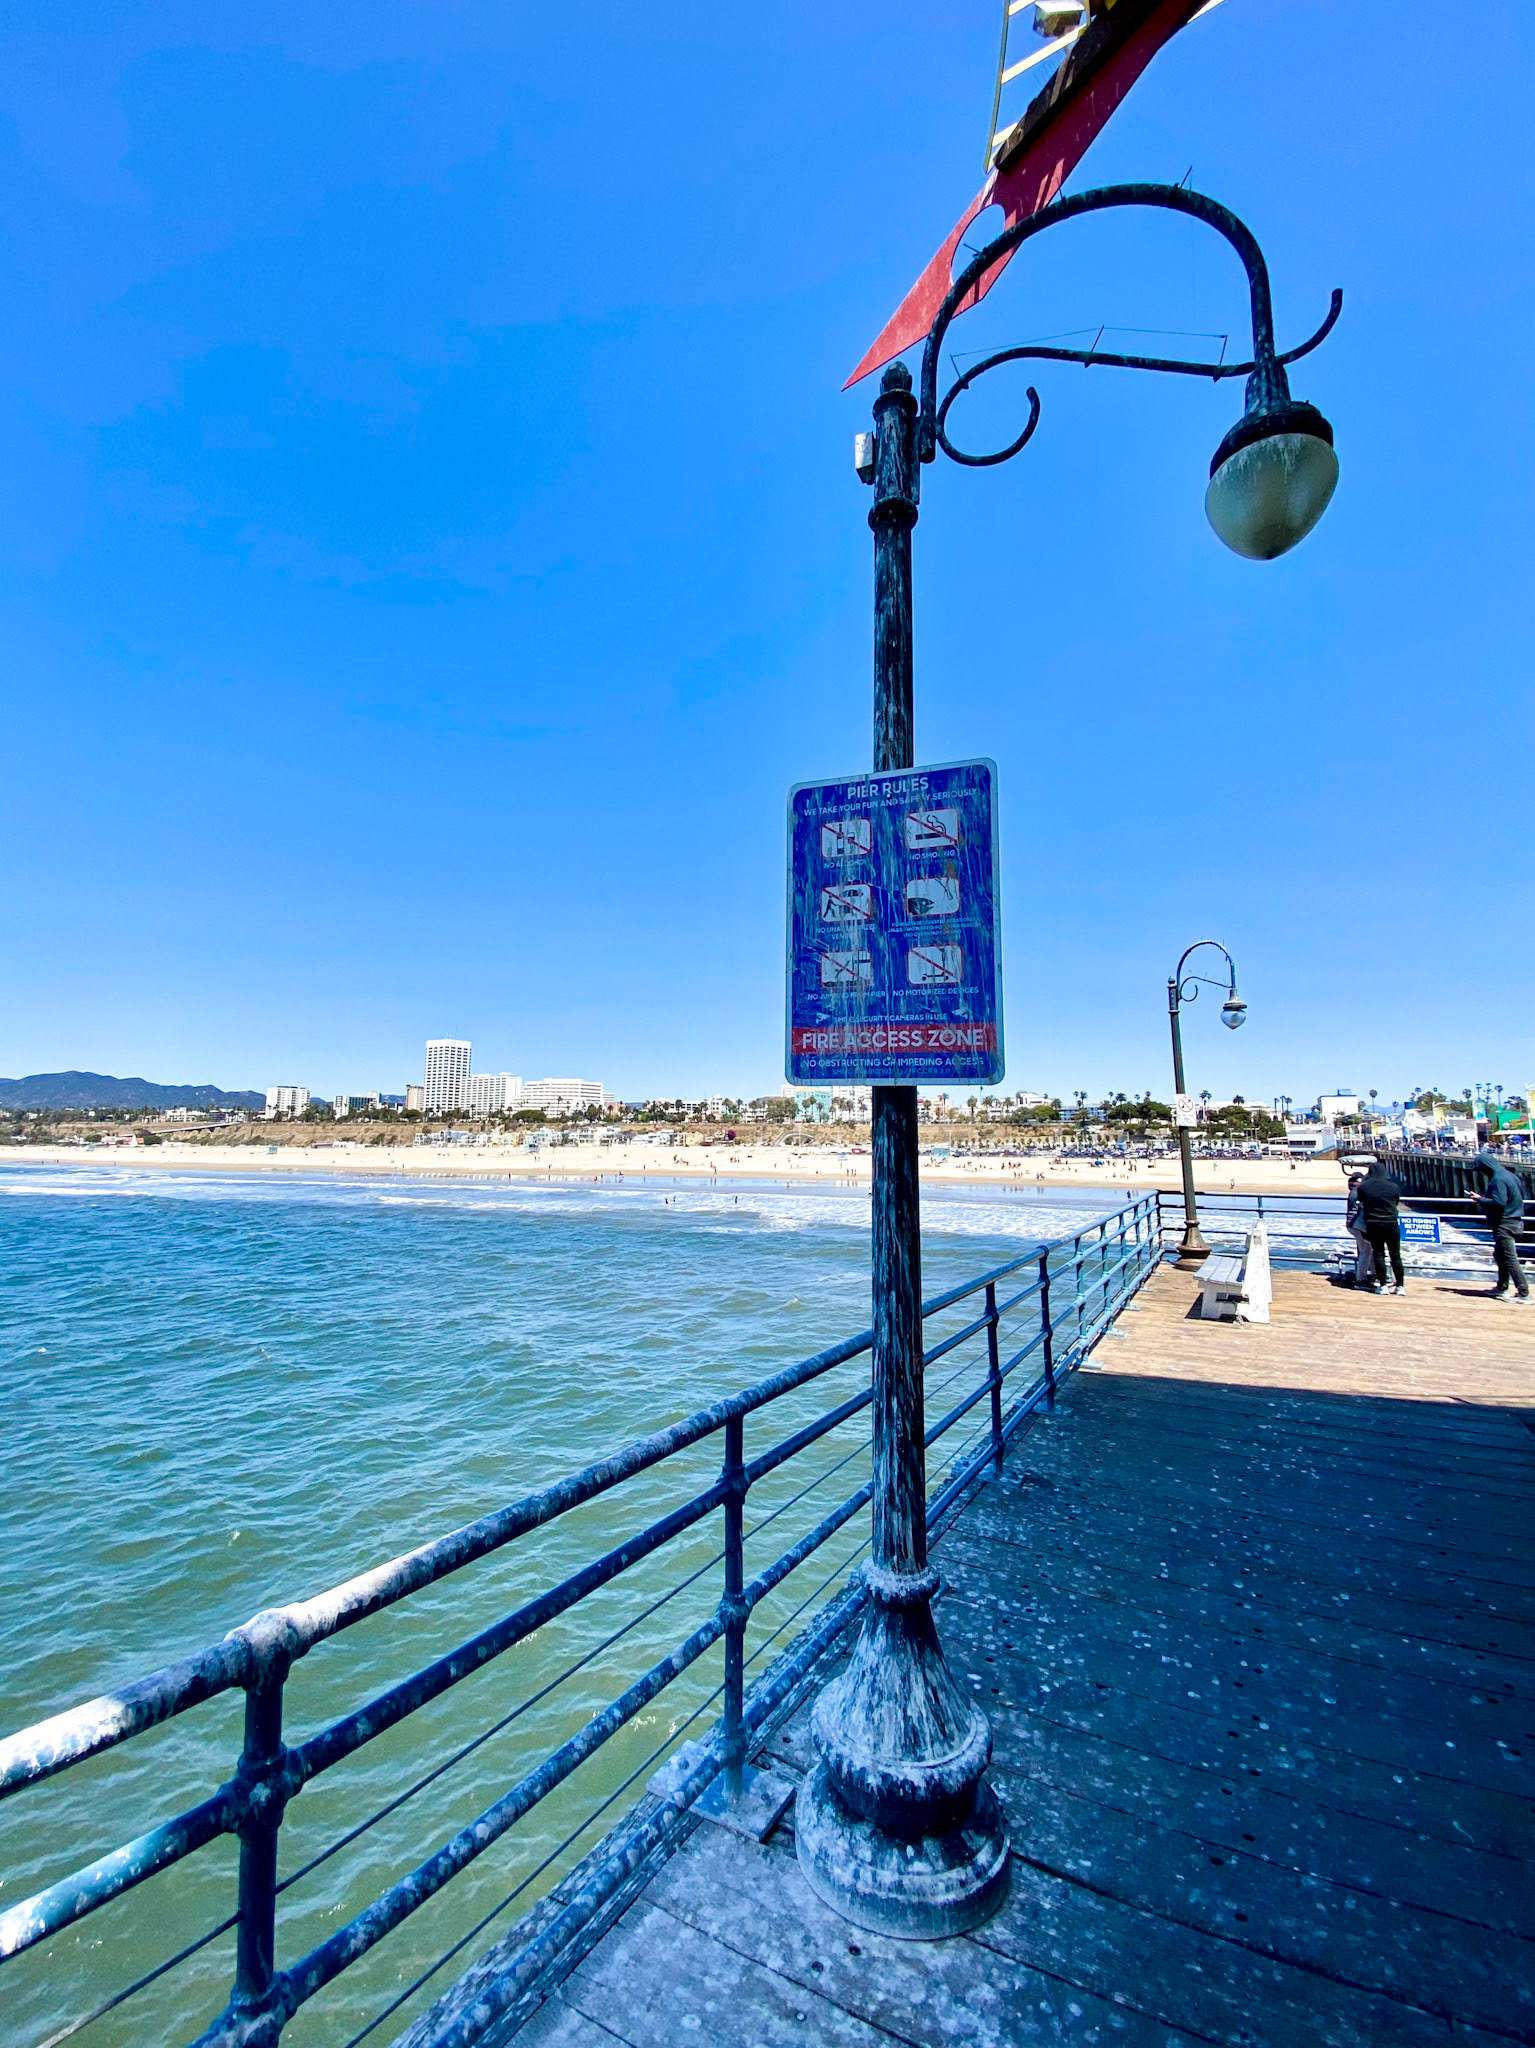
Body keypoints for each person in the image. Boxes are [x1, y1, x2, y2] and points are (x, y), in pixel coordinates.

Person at [1472, 1146, 1529, 1303]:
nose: (1481, 1173)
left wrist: (1479, 1199)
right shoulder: (1510, 1176)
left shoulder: (1498, 1180)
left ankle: (1524, 1293)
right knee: (1499, 1255)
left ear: (1486, 1166)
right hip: (1516, 1221)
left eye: (1481, 1170)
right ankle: (1501, 1287)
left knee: (1510, 1259)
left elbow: (1498, 1203)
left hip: (1505, 1223)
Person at [1355, 1159, 1406, 1294]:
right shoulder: (1393, 1186)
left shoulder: (1364, 1186)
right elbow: (1395, 1202)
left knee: (1378, 1254)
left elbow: (1360, 1201)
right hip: (1391, 1223)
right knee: (1395, 1256)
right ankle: (1400, 1286)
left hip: (1373, 1223)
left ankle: (1383, 1286)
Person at [1345, 1173, 1377, 1288]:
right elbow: (1365, 1207)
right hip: (1358, 1225)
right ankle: (1362, 1279)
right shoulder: (1359, 1193)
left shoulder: (1353, 1192)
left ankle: (1372, 1274)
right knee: (1366, 1251)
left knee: (1368, 1250)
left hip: (1352, 1224)